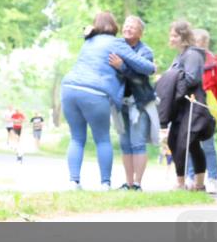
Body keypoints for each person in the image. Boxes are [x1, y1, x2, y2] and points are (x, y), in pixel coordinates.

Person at [59, 12, 156, 190]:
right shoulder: (116, 43)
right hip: (94, 92)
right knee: (102, 139)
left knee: (77, 138)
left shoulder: (88, 42)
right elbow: (147, 67)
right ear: (114, 26)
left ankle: (74, 182)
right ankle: (105, 184)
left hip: (69, 89)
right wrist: (153, 68)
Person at [158, 21, 213, 191]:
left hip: (193, 105)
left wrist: (173, 84)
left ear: (183, 37)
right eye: (171, 35)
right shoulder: (180, 56)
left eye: (174, 35)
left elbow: (191, 79)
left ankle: (192, 184)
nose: (171, 38)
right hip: (181, 107)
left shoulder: (192, 54)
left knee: (184, 142)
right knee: (178, 143)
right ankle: (190, 183)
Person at [113, 16, 157, 192]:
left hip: (139, 103)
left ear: (140, 32)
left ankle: (138, 184)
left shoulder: (145, 51)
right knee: (125, 143)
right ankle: (128, 183)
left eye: (132, 27)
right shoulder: (116, 45)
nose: (128, 29)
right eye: (126, 26)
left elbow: (141, 73)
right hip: (120, 102)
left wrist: (122, 67)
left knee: (137, 143)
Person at [193, 28, 217, 193]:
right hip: (191, 105)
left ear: (206, 43)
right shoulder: (188, 59)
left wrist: (215, 106)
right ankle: (191, 177)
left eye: (202, 42)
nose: (199, 45)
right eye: (196, 42)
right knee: (191, 143)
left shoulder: (215, 65)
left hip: (208, 107)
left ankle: (212, 179)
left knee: (208, 145)